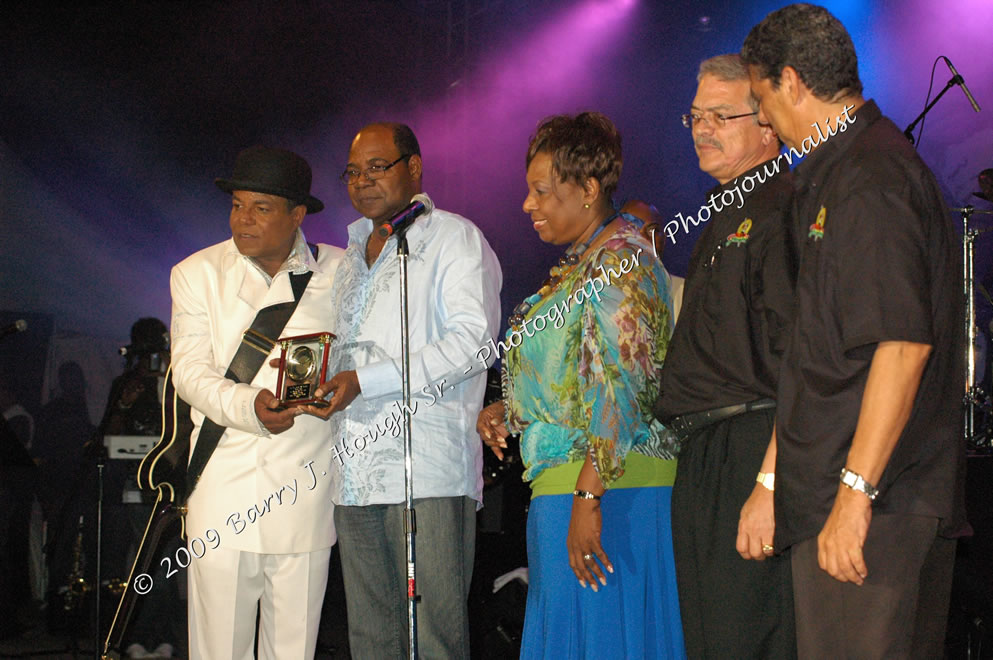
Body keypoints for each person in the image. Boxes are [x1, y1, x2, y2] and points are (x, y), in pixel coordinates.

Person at [742, 5, 966, 658]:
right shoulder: (843, 172)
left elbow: (901, 346)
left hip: (877, 502)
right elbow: (821, 361)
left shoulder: (869, 179)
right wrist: (772, 484)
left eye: (759, 98)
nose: (761, 119)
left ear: (790, 81)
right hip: (859, 495)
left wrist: (854, 495)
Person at [477, 112, 685, 659]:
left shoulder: (620, 260)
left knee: (606, 642)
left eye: (542, 191)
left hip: (610, 489)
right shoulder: (582, 264)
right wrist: (510, 407)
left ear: (589, 188)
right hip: (569, 485)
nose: (528, 204)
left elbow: (624, 385)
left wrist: (590, 494)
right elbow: (575, 372)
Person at [308, 122, 501, 659]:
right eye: (352, 171)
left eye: (377, 166)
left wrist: (363, 381)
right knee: (371, 637)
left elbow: (475, 344)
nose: (362, 181)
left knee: (433, 637)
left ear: (414, 167)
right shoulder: (348, 255)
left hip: (427, 470)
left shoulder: (453, 237)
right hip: (354, 471)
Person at [169, 146, 345, 659]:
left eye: (260, 208)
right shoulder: (196, 272)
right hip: (223, 493)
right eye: (237, 205)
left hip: (305, 492)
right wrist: (249, 407)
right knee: (218, 650)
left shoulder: (342, 271)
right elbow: (190, 372)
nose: (242, 219)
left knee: (292, 651)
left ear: (297, 215)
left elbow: (362, 359)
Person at [654, 54, 798, 659]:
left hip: (753, 443)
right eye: (694, 116)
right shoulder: (722, 212)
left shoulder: (783, 206)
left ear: (767, 121)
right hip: (705, 450)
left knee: (749, 634)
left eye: (721, 115)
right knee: (710, 638)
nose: (702, 129)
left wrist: (769, 482)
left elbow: (803, 363)